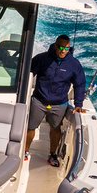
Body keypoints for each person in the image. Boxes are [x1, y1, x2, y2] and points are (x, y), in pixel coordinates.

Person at [25, 35, 86, 167]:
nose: (63, 51)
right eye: (60, 47)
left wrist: (78, 104)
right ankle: (24, 151)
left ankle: (52, 155)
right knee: (30, 127)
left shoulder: (74, 64)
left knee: (55, 128)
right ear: (55, 45)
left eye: (66, 48)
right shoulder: (42, 58)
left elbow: (79, 84)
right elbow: (27, 74)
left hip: (59, 104)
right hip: (39, 100)